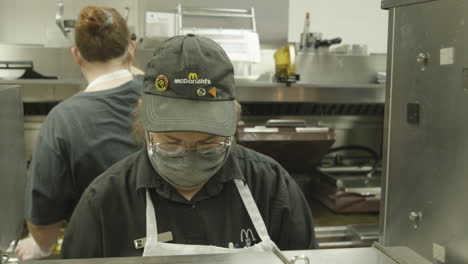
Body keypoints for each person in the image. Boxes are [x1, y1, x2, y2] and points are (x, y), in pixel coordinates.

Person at [61, 34, 318, 259]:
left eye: (209, 144)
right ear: (144, 123)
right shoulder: (105, 203)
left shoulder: (271, 187)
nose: (189, 157)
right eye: (172, 144)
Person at [15, 6, 144, 260]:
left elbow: (44, 230)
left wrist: (39, 244)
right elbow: (141, 76)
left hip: (98, 254)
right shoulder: (159, 97)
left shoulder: (62, 120)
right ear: (131, 49)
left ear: (76, 56)